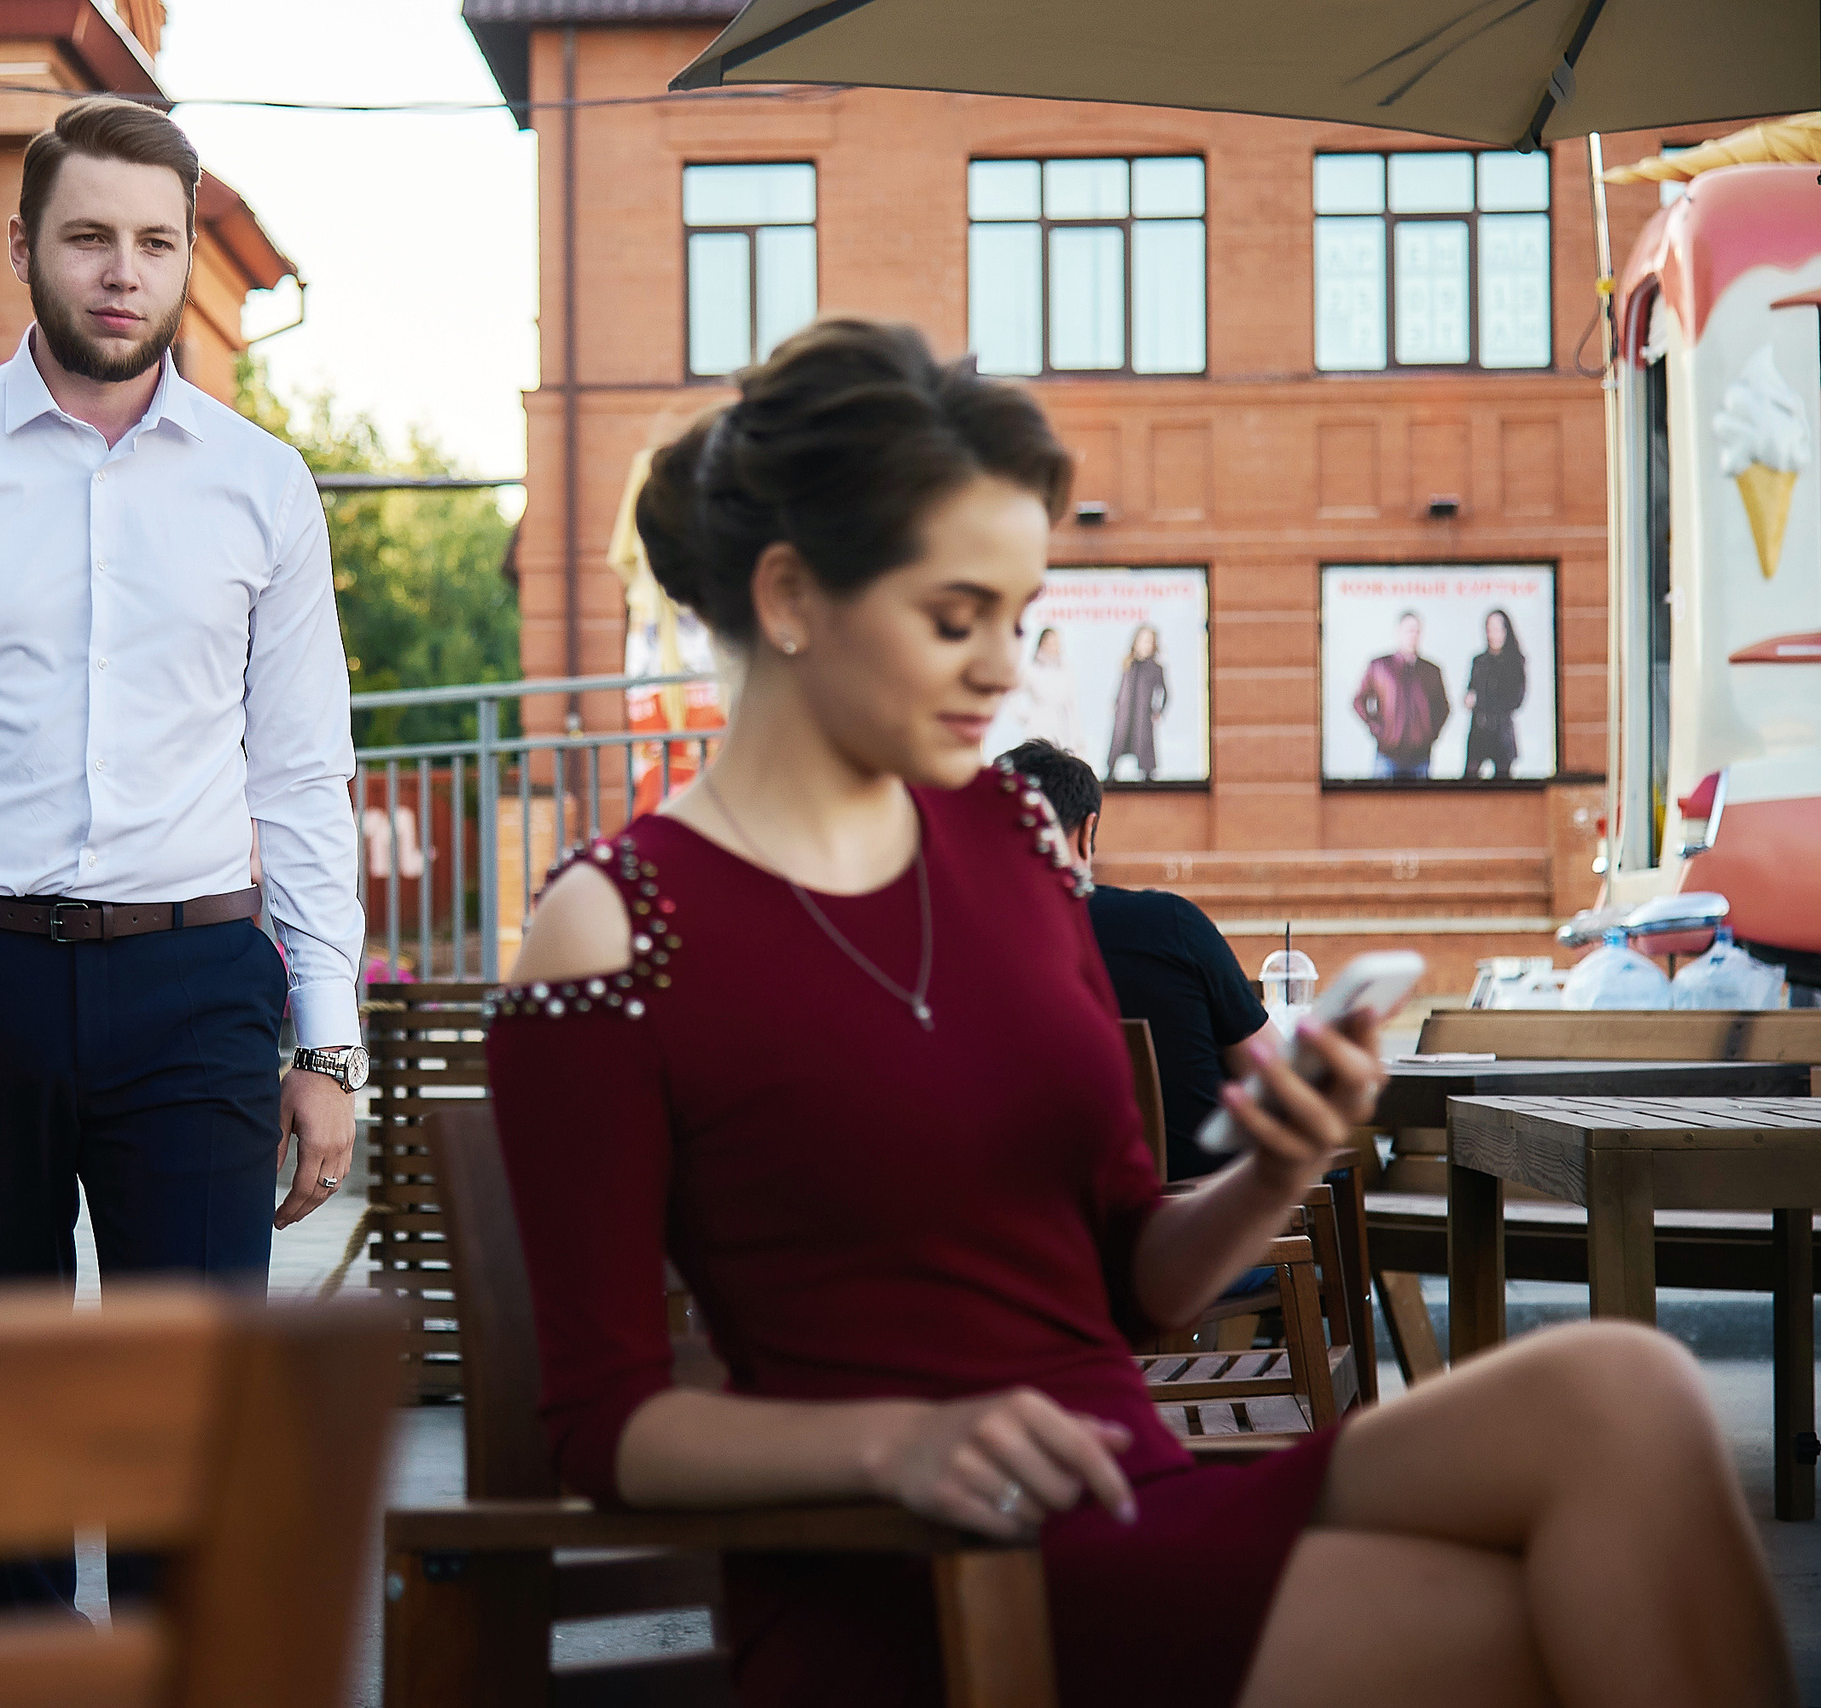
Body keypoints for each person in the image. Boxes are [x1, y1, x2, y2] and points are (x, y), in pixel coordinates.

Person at [489, 318, 1787, 1708]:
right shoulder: (619, 921)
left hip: (1131, 1489)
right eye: (954, 616)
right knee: (1553, 1626)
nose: (1004, 670)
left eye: (1019, 619)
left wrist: (1273, 1166)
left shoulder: (1012, 848)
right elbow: (603, 1423)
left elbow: (1135, 1284)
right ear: (793, 595)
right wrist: (894, 1447)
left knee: (1621, 1390)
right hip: (911, 1560)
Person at [0, 97, 367, 1625]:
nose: (124, 272)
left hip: (194, 982)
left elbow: (301, 777)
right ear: (25, 245)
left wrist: (330, 1045)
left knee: (192, 1412)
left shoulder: (263, 485)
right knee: (1, 1411)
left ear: (184, 266)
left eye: (156, 244)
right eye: (91, 237)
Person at [1001, 738, 1270, 1180]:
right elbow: (1275, 1073)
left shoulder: (958, 951)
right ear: (1088, 832)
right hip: (1203, 1215)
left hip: (1047, 1221)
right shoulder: (1170, 924)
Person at [1352, 610, 1449, 779]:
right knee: (1381, 805)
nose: (1413, 635)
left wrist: (1431, 734)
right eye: (1408, 630)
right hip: (1387, 755)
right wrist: (1377, 728)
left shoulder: (1432, 671)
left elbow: (1443, 707)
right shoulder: (1379, 666)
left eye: (1417, 631)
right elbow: (1359, 701)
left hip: (1420, 758)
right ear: (1398, 632)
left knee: (1420, 806)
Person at [1463, 607, 1527, 780]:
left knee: (1503, 788)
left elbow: (1515, 700)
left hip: (1502, 735)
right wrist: (1468, 700)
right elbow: (1470, 692)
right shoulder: (1479, 661)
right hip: (1479, 732)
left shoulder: (1515, 662)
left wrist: (1481, 701)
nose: (1494, 634)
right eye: (1490, 629)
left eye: (1498, 629)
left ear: (1506, 630)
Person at [1104, 622, 1165, 781]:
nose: (1144, 645)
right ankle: (1110, 772)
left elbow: (1165, 692)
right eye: (1141, 640)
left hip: (1142, 714)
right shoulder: (1128, 664)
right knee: (1118, 741)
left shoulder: (1156, 668)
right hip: (1125, 712)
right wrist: (1116, 701)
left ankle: (1147, 774)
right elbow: (1121, 686)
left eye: (1148, 641)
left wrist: (1159, 710)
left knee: (1143, 744)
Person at [1008, 625, 1082, 751]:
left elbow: (1072, 705)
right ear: (1041, 644)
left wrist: (1077, 736)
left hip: (1061, 725)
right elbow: (1012, 694)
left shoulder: (1065, 671)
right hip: (1039, 724)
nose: (1053, 647)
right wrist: (1024, 716)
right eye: (1049, 643)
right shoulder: (1032, 670)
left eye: (1055, 643)